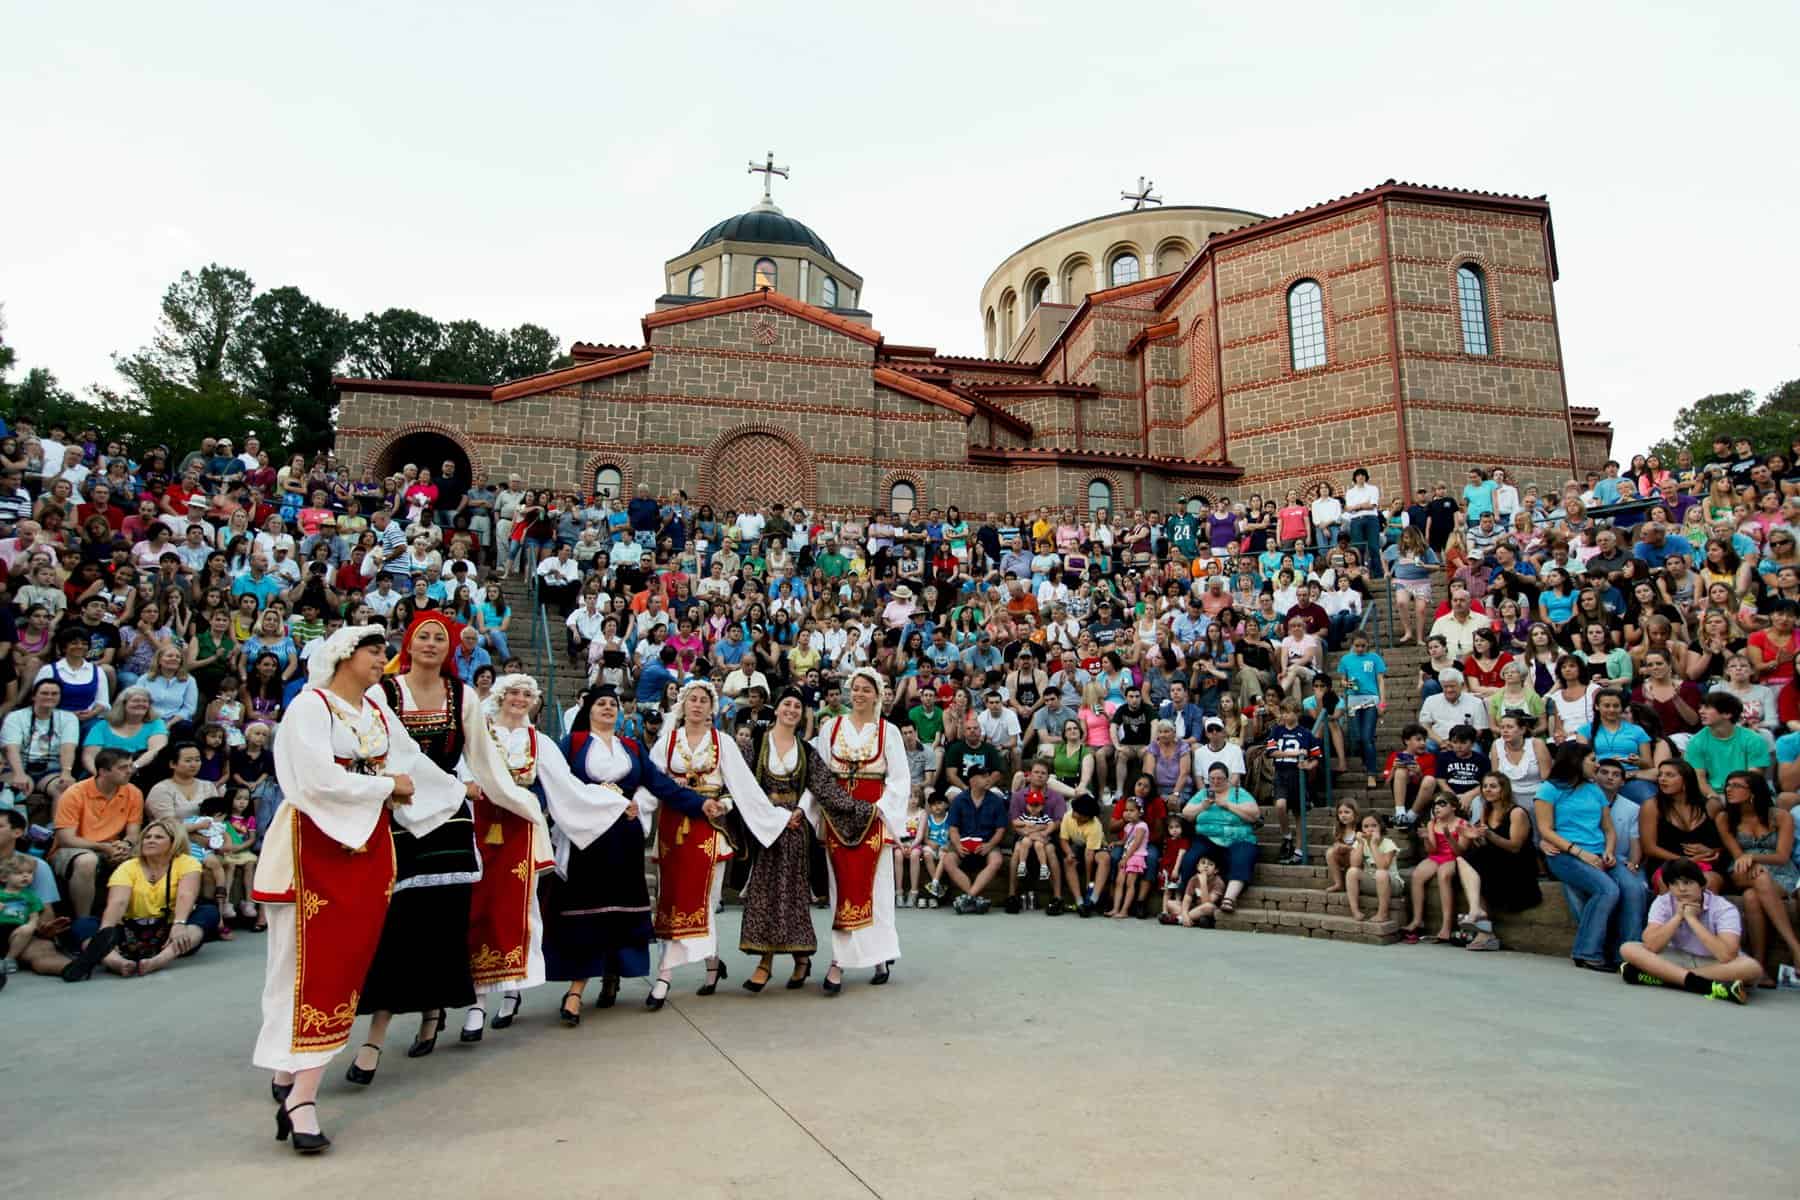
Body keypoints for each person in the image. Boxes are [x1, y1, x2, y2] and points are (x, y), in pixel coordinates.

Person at [251, 625, 461, 1154]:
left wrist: (456, 793)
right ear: (344, 654)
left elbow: (411, 761)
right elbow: (316, 780)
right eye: (374, 650)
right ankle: (301, 1091)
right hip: (312, 846)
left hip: (367, 846)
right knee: (300, 966)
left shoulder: (374, 711)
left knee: (344, 967)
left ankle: (293, 1072)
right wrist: (387, 785)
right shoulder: (311, 706)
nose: (382, 659)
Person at [352, 611, 538, 1078]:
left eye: (440, 638)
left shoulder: (464, 696)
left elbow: (483, 759)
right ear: (409, 644)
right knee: (396, 927)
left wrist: (514, 799)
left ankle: (434, 1011)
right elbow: (367, 751)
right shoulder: (384, 692)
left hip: (450, 821)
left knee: (442, 924)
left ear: (451, 647)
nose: (431, 644)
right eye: (423, 636)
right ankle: (376, 1034)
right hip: (396, 817)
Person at [543, 685, 705, 1023]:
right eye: (600, 703)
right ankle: (576, 990)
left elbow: (661, 785)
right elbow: (552, 784)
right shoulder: (571, 745)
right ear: (588, 709)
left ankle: (612, 975)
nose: (607, 708)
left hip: (623, 837)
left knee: (618, 910)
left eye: (613, 704)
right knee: (587, 912)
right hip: (588, 838)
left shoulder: (630, 747)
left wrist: (701, 804)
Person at [644, 679, 785, 1005]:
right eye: (692, 699)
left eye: (703, 700)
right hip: (672, 827)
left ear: (711, 707)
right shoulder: (667, 742)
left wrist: (731, 806)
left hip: (710, 828)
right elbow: (650, 783)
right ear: (683, 704)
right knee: (673, 898)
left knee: (704, 901)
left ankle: (664, 975)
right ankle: (711, 963)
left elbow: (742, 787)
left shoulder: (722, 742)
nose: (697, 705)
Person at [463, 674, 555, 1039]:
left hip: (520, 831)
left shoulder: (539, 741)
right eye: (513, 693)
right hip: (481, 825)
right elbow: (463, 774)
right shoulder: (481, 734)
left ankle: (513, 987)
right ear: (501, 696)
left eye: (526, 694)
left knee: (518, 909)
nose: (519, 699)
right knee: (478, 907)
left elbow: (559, 786)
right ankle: (477, 1001)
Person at [810, 665, 910, 990]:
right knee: (842, 889)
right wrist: (809, 811)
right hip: (838, 818)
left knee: (877, 889)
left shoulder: (888, 731)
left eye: (867, 689)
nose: (860, 694)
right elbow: (821, 777)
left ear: (877, 695)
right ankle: (839, 960)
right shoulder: (831, 728)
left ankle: (877, 955)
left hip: (873, 817)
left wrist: (878, 810)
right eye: (856, 688)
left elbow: (899, 780)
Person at [740, 687, 837, 992]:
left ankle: (800, 957)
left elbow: (817, 786)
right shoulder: (757, 742)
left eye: (797, 706)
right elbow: (744, 782)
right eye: (787, 704)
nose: (792, 710)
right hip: (764, 827)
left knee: (792, 896)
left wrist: (799, 810)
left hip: (795, 829)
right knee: (765, 893)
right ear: (776, 708)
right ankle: (765, 961)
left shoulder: (806, 749)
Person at [59, 815, 221, 981]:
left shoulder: (187, 862)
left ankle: (160, 960)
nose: (150, 841)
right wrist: (105, 933)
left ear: (174, 843)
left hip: (170, 931)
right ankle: (117, 962)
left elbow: (186, 894)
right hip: (129, 932)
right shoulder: (128, 866)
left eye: (158, 837)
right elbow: (118, 902)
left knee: (208, 913)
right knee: (83, 925)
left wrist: (179, 924)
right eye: (147, 837)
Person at [1536, 742, 1647, 971]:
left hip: (1600, 851)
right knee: (1608, 890)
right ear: (1577, 761)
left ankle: (1627, 955)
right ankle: (1587, 952)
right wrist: (1579, 852)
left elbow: (1608, 828)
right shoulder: (1549, 789)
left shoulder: (1594, 789)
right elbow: (1546, 830)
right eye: (1593, 760)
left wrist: (1608, 850)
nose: (1597, 765)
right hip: (1565, 854)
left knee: (1635, 889)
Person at [1618, 858, 1759, 1004]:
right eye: (1674, 884)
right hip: (1676, 957)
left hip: (1712, 962)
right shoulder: (1663, 902)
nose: (1681, 889)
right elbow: (1651, 945)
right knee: (1628, 949)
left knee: (1752, 968)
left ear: (1702, 885)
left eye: (1688, 882)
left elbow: (1726, 956)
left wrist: (1692, 919)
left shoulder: (1724, 908)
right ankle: (1703, 984)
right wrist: (1678, 916)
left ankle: (1665, 978)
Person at [1715, 771, 1800, 988]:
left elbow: (1782, 856)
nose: (1729, 789)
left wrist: (1754, 856)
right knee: (1758, 878)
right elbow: (1737, 856)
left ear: (1753, 792)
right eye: (1728, 785)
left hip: (1779, 872)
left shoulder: (1780, 816)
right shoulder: (1724, 818)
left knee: (1753, 896)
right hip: (1741, 870)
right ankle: (1795, 947)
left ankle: (1759, 968)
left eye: (1736, 786)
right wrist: (1749, 860)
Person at [51, 747, 144, 917]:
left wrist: (125, 844)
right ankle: (83, 920)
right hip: (73, 849)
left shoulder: (134, 793)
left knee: (147, 855)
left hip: (112, 846)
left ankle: (134, 918)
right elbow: (66, 839)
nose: (130, 771)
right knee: (87, 861)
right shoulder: (75, 793)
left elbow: (133, 833)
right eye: (123, 768)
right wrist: (104, 848)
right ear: (103, 771)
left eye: (131, 766)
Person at [1176, 762, 1261, 912]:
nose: (1215, 782)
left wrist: (1228, 805)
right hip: (1208, 837)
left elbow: (1254, 814)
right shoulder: (1203, 794)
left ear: (1227, 779)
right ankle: (1187, 897)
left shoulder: (1238, 793)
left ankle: (1229, 898)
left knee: (1242, 856)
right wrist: (1202, 807)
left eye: (1220, 779)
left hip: (1238, 838)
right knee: (1191, 858)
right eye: (1212, 779)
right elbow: (1187, 813)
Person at [1401, 796, 1481, 944]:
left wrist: (1449, 837)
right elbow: (1432, 850)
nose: (1437, 807)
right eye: (1435, 804)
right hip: (1436, 855)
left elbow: (1460, 852)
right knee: (1417, 874)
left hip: (1453, 857)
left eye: (1442, 804)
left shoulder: (1462, 824)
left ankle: (1446, 925)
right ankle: (1417, 920)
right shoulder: (1432, 823)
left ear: (1453, 807)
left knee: (1443, 876)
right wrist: (1426, 838)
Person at [1345, 811, 1403, 924]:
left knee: (1380, 873)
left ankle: (1383, 914)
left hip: (1392, 884)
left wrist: (1373, 844)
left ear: (1380, 827)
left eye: (1374, 825)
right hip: (1372, 882)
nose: (1370, 829)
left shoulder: (1388, 843)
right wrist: (1361, 844)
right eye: (1366, 826)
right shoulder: (1360, 842)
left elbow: (1383, 866)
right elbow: (1354, 864)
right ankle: (1355, 911)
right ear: (1361, 829)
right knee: (1352, 872)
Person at [1106, 795, 1149, 918]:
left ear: (1140, 812)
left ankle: (1124, 910)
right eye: (1126, 810)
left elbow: (1136, 844)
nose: (1128, 813)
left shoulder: (1142, 826)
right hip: (1126, 856)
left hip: (1136, 857)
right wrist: (1115, 843)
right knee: (1120, 882)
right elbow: (1125, 841)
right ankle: (1115, 908)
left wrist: (1125, 859)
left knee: (1130, 883)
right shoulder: (1128, 826)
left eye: (1132, 811)